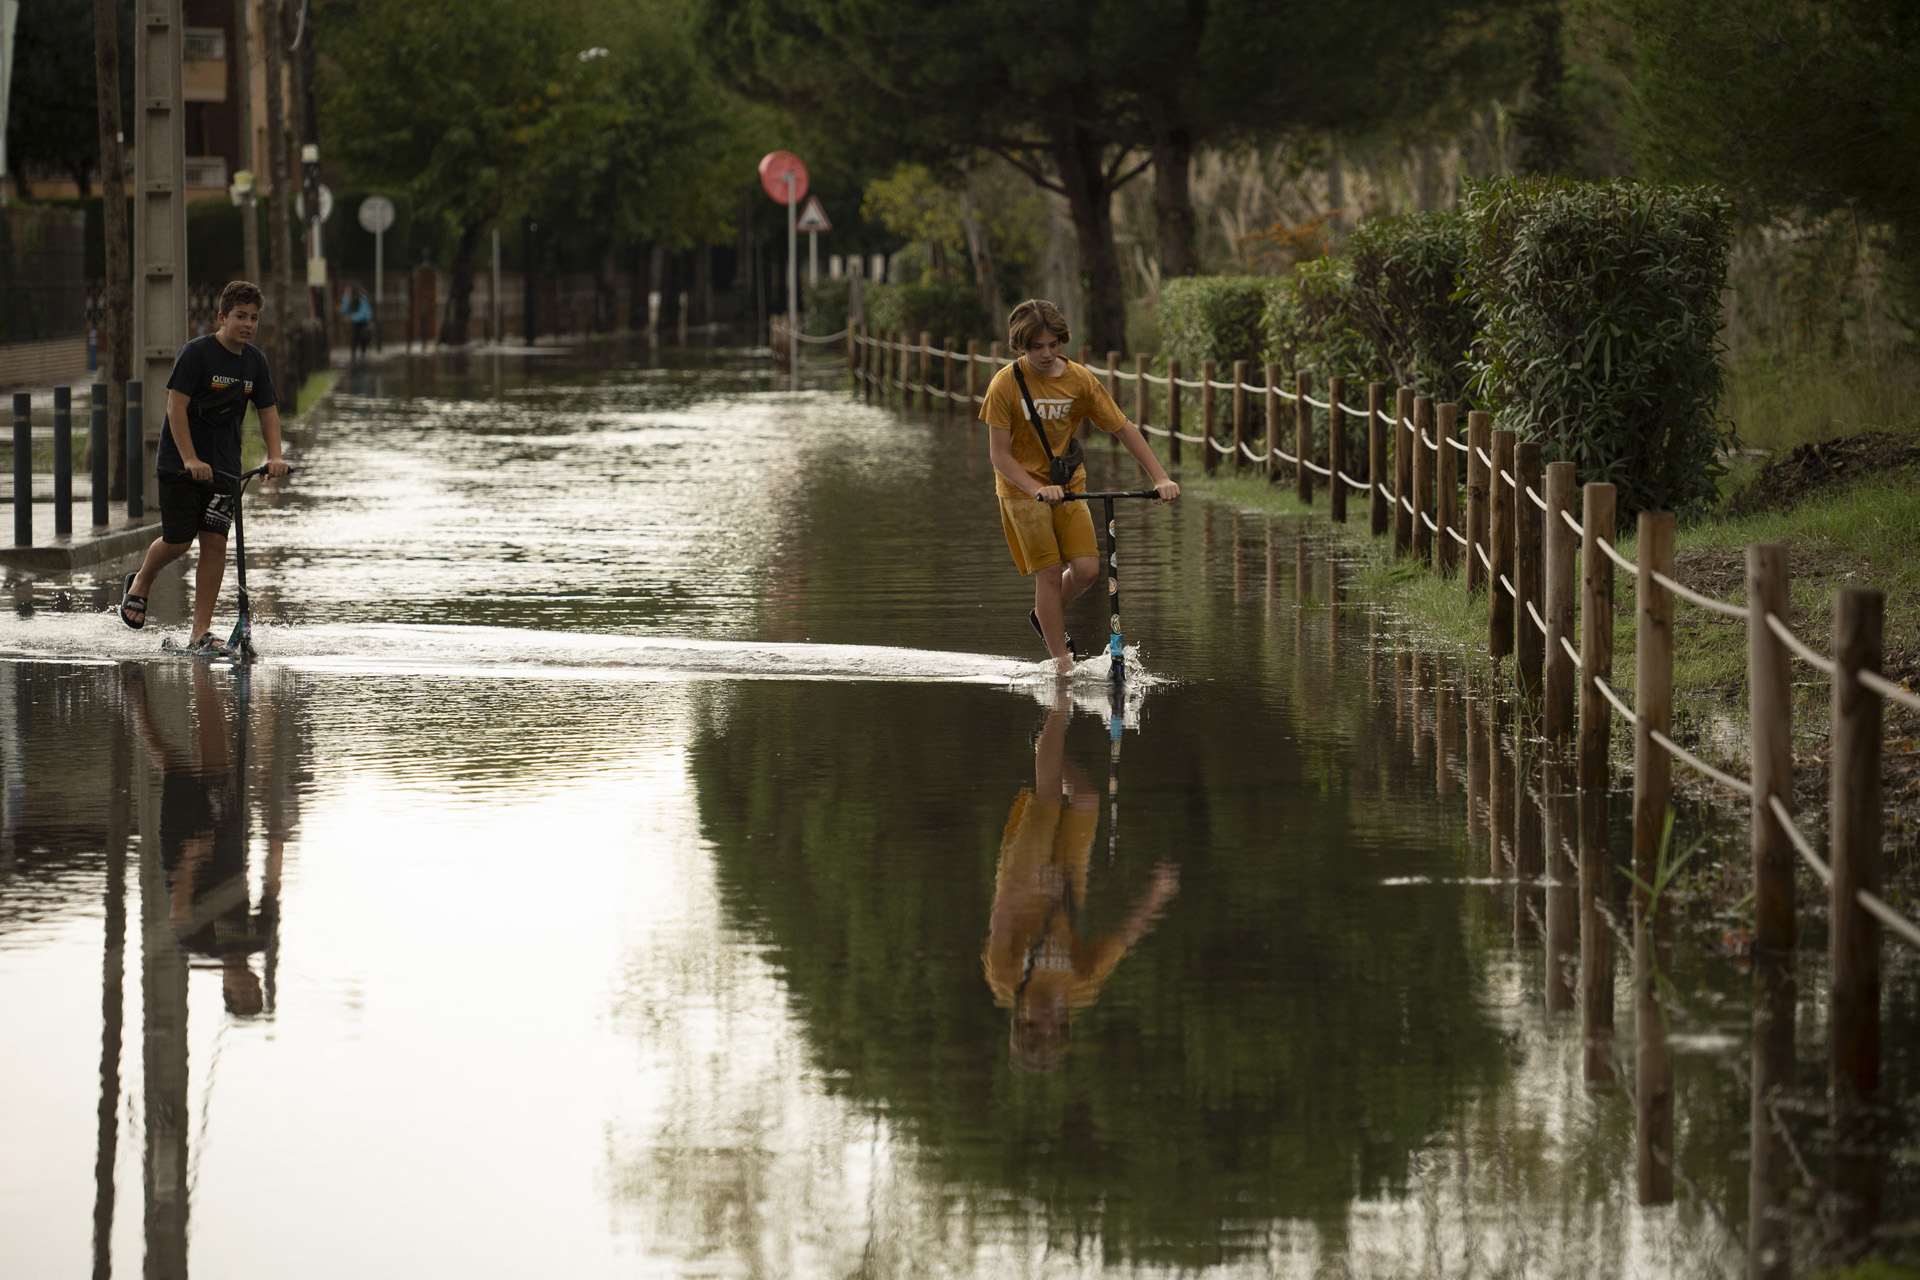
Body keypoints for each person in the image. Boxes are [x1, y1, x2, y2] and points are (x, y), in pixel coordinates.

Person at [981, 694, 1179, 1074]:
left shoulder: (1005, 980)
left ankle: (1059, 700)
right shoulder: (1081, 988)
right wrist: (1156, 893)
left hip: (1023, 878)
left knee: (1050, 795)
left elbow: (1001, 915)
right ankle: (1046, 742)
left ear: (1021, 1022)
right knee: (1086, 798)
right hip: (1068, 884)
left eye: (1038, 1027)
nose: (1050, 1020)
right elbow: (1121, 938)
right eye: (1056, 1029)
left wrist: (1038, 886)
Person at [981, 299, 1178, 675]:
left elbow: (1122, 427)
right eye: (1037, 347)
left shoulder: (1079, 379)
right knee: (1050, 572)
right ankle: (1062, 666)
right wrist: (1035, 488)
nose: (1046, 353)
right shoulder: (1005, 385)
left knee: (1088, 570)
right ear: (1021, 346)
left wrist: (1160, 477)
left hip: (1067, 484)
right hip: (1021, 491)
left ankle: (1045, 614)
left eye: (1053, 345)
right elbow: (999, 456)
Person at [119, 280, 290, 654]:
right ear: (222, 318)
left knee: (215, 544)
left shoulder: (255, 362)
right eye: (240, 316)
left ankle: (200, 632)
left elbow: (267, 411)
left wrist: (274, 456)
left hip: (225, 470)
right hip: (179, 465)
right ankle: (142, 582)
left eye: (254, 318)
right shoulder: (195, 354)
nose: (247, 324)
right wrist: (190, 459)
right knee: (179, 541)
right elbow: (174, 407)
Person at [339, 284, 374, 362]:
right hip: (355, 321)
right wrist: (342, 312)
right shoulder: (347, 297)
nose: (347, 292)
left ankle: (363, 353)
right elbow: (345, 309)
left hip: (363, 320)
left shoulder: (361, 297)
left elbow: (364, 312)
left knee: (362, 336)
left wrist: (351, 317)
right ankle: (353, 354)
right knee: (354, 337)